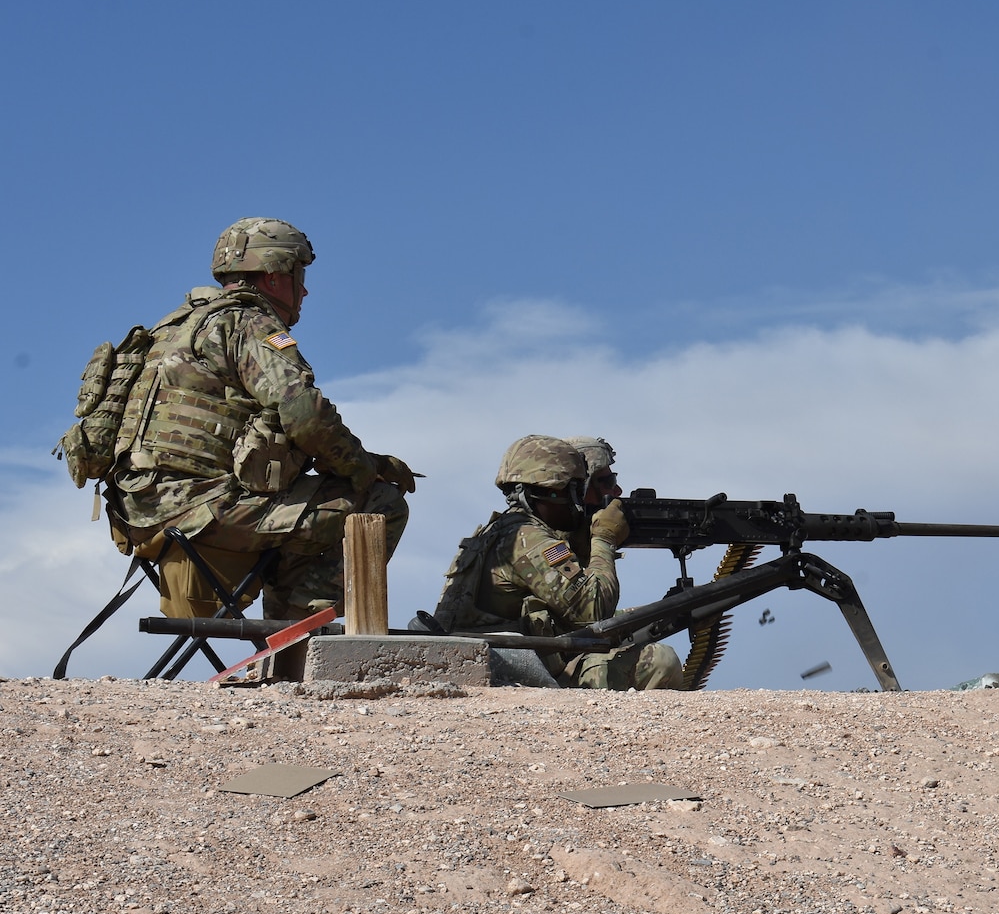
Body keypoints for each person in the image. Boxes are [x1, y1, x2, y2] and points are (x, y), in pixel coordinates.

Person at [106, 217, 415, 618]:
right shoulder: (249, 323)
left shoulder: (169, 329)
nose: (303, 290)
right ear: (273, 275)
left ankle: (284, 646)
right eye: (297, 275)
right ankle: (300, 628)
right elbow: (304, 413)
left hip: (138, 513)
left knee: (299, 504)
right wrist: (363, 467)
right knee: (380, 503)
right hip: (205, 508)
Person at [432, 435, 681, 690]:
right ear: (556, 492)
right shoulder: (527, 540)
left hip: (510, 663)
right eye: (578, 488)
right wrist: (604, 538)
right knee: (660, 661)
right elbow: (593, 611)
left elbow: (564, 619)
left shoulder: (509, 531)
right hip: (509, 673)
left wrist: (660, 611)